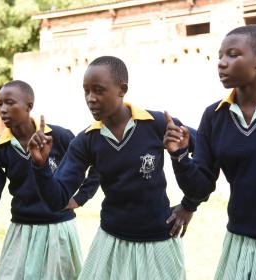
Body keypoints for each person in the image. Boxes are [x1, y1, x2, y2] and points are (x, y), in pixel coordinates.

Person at [28, 56, 199, 279]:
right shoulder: (86, 141)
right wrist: (40, 166)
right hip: (111, 242)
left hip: (158, 241)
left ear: (122, 89)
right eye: (86, 91)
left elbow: (207, 155)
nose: (91, 99)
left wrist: (189, 204)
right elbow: (57, 199)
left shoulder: (157, 124)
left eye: (98, 90)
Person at [164, 24, 256, 279]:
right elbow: (200, 186)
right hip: (241, 241)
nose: (221, 63)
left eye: (233, 55)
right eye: (220, 56)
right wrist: (179, 156)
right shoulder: (215, 117)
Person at [0, 80, 100, 280]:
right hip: (21, 230)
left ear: (29, 106)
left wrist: (80, 198)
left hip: (58, 231)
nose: (3, 109)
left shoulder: (59, 137)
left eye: (9, 103)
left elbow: (97, 163)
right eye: (0, 104)